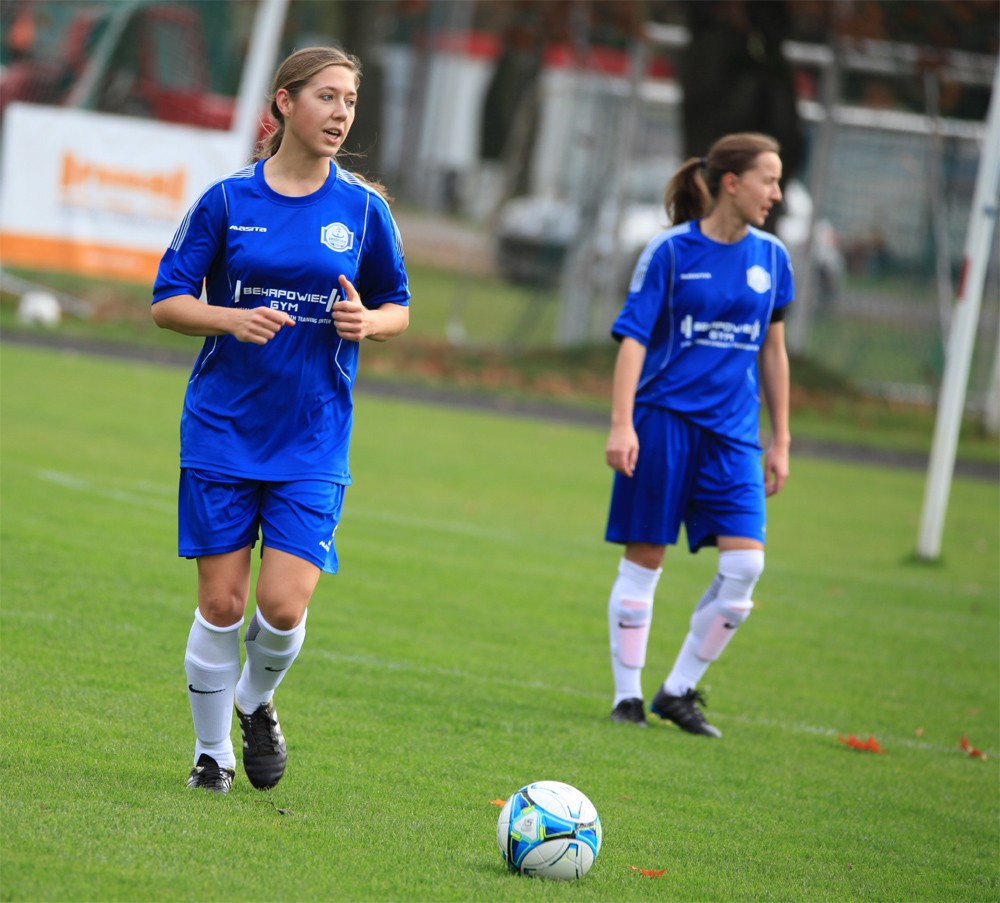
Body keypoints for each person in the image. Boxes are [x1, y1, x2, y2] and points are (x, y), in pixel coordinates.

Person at [151, 47, 410, 793]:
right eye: (327, 97)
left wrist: (369, 323)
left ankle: (253, 700)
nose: (341, 113)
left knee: (283, 606)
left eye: (350, 100)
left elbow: (396, 306)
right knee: (222, 603)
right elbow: (167, 301)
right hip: (223, 427)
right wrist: (230, 318)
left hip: (313, 434)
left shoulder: (364, 209)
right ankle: (212, 756)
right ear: (284, 103)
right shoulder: (228, 200)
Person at [603, 132, 792, 738]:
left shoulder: (773, 258)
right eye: (769, 180)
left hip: (734, 437)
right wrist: (622, 423)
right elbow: (634, 339)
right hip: (663, 423)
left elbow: (774, 352)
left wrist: (781, 438)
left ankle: (678, 689)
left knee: (746, 567)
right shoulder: (670, 251)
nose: (777, 193)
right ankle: (628, 698)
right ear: (732, 183)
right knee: (645, 560)